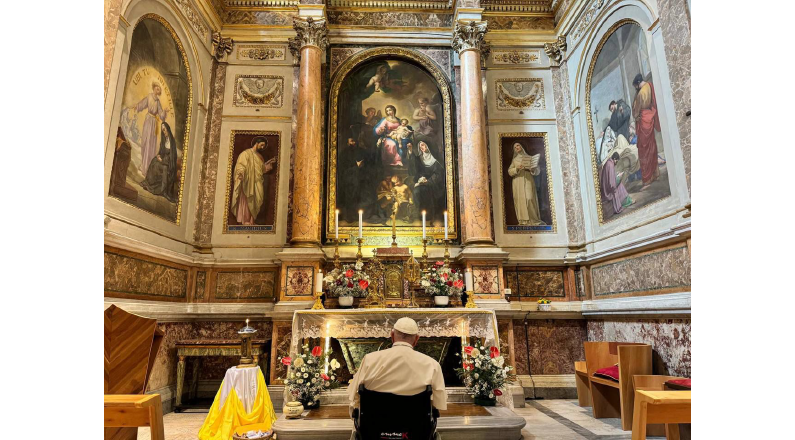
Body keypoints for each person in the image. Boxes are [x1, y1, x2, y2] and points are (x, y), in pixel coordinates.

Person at [348, 317, 447, 416]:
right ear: (416, 339)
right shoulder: (432, 365)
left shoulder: (369, 360)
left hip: (374, 426)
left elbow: (354, 396)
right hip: (416, 427)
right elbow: (439, 403)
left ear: (392, 335)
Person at [230, 136, 276, 225]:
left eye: (264, 146)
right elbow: (241, 165)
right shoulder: (246, 154)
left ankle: (252, 220)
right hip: (248, 181)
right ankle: (246, 220)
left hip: (258, 181)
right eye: (262, 145)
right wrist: (240, 173)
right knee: (248, 199)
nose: (262, 147)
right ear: (257, 143)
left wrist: (268, 164)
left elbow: (261, 170)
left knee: (257, 200)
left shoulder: (260, 156)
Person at [131, 82, 170, 175]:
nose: (158, 90)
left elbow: (161, 115)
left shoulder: (158, 102)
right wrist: (137, 106)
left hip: (153, 124)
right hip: (148, 120)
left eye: (159, 89)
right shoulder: (149, 97)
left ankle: (146, 167)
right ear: (154, 88)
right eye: (157, 88)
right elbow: (143, 103)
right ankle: (143, 165)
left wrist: (164, 111)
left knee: (150, 144)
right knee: (144, 142)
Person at [631, 73, 662, 191]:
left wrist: (635, 114)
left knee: (644, 151)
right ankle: (655, 174)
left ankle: (647, 180)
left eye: (635, 86)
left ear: (638, 84)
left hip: (643, 121)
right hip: (650, 118)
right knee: (652, 147)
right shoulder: (649, 86)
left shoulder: (640, 94)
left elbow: (636, 111)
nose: (635, 88)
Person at [507, 142, 545, 226]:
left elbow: (537, 171)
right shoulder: (515, 160)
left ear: (521, 146)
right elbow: (510, 171)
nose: (517, 147)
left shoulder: (529, 158)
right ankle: (524, 221)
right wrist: (517, 168)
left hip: (528, 179)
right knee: (521, 200)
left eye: (518, 145)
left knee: (529, 198)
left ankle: (534, 220)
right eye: (515, 147)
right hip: (518, 181)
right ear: (514, 150)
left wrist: (532, 169)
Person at [407, 141, 445, 224]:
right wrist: (410, 152)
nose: (421, 147)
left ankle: (431, 215)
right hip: (421, 181)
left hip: (433, 183)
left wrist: (428, 181)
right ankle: (421, 215)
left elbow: (439, 173)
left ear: (428, 146)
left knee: (428, 192)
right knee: (417, 191)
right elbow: (413, 168)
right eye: (420, 146)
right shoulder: (420, 158)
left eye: (423, 145)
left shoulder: (435, 159)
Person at [141, 122, 179, 202]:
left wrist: (163, 160)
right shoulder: (164, 141)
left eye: (164, 130)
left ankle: (164, 191)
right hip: (163, 161)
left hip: (169, 165)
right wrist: (158, 155)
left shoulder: (172, 142)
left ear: (168, 129)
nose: (164, 132)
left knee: (165, 168)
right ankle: (149, 184)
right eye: (162, 130)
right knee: (154, 161)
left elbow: (172, 158)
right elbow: (161, 152)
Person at [600, 152, 634, 217]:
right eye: (617, 161)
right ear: (615, 159)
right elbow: (611, 183)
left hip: (606, 186)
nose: (616, 162)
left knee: (619, 183)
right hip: (608, 189)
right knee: (620, 185)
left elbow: (610, 176)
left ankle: (627, 200)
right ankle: (625, 202)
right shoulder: (610, 165)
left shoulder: (608, 162)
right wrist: (618, 177)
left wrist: (616, 175)